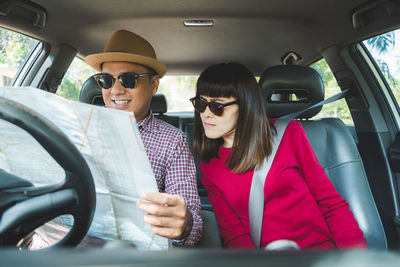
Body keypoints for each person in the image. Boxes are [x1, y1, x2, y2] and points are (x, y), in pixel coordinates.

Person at [191, 62, 367, 249]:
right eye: (201, 103)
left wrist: (356, 256)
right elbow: (234, 235)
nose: (206, 114)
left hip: (319, 254)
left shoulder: (289, 133)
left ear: (245, 105)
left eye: (217, 106)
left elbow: (330, 203)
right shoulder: (209, 166)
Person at [85, 30, 202, 247]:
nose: (116, 90)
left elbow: (192, 227)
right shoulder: (80, 129)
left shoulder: (172, 141)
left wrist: (183, 224)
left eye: (128, 80)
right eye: (106, 80)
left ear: (154, 85)